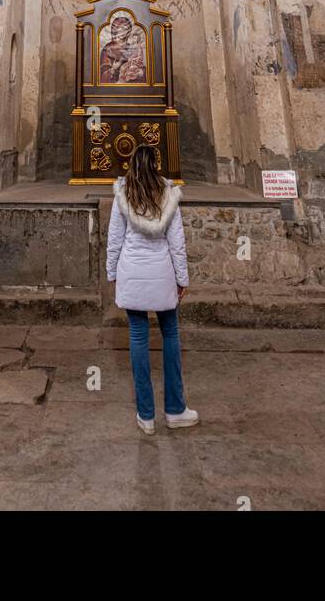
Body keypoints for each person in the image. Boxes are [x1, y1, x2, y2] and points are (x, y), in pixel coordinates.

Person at [106, 144, 198, 435]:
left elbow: (114, 240)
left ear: (131, 165)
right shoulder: (169, 194)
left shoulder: (122, 194)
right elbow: (177, 243)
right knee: (170, 334)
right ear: (157, 165)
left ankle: (145, 414)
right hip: (161, 274)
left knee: (137, 336)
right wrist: (183, 279)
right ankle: (175, 409)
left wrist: (112, 274)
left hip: (132, 272)